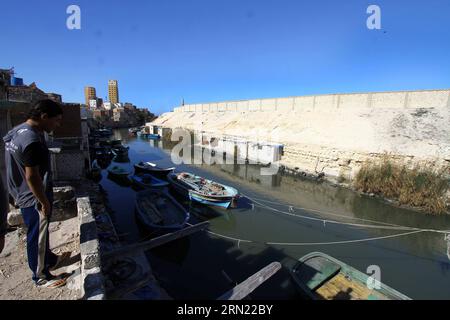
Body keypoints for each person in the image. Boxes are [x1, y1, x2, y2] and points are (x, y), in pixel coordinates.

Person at [3, 99, 68, 288]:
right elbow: (32, 176)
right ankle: (41, 277)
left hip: (21, 192)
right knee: (37, 236)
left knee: (42, 232)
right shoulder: (32, 140)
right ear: (44, 117)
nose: (58, 125)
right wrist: (43, 201)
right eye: (56, 120)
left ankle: (49, 259)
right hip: (33, 197)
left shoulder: (17, 131)